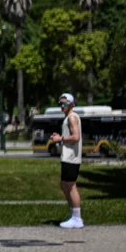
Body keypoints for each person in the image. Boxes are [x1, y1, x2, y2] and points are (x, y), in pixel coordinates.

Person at [50, 92, 83, 229]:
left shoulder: (72, 118)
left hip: (71, 158)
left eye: (64, 103)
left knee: (70, 186)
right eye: (60, 103)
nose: (61, 106)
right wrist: (61, 136)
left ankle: (77, 218)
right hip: (67, 156)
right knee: (64, 185)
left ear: (71, 104)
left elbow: (76, 137)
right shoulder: (69, 118)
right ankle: (73, 215)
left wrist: (60, 139)